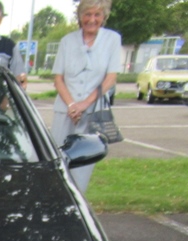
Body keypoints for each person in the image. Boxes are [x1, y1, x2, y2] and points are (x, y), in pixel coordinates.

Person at [51, 0, 121, 194]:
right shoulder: (67, 41)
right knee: (57, 160)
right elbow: (58, 79)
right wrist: (72, 105)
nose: (92, 19)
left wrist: (84, 104)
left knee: (82, 165)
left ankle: (76, 201)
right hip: (65, 110)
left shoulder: (112, 40)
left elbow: (110, 78)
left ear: (103, 17)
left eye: (97, 15)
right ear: (80, 16)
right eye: (87, 14)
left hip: (92, 112)